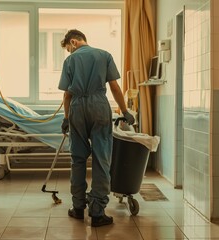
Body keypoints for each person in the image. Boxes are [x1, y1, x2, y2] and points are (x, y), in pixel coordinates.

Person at [58, 29, 135, 227]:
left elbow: (67, 94)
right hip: (100, 107)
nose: (69, 52)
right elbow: (115, 88)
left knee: (78, 159)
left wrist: (66, 118)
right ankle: (97, 212)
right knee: (102, 159)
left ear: (73, 42)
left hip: (77, 108)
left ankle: (77, 208)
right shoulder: (104, 55)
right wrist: (125, 111)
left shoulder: (70, 61)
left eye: (68, 48)